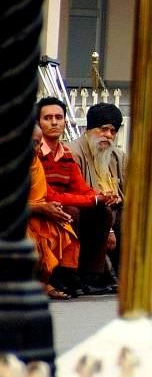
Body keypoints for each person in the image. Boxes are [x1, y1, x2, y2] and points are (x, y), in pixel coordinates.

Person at [70, 103, 152, 276]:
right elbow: (76, 192)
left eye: (113, 131)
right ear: (89, 128)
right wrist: (109, 226)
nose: (108, 136)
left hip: (115, 210)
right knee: (104, 215)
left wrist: (122, 199)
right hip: (90, 212)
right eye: (103, 129)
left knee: (147, 215)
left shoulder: (117, 156)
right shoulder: (73, 152)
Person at [35, 97, 116, 296]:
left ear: (65, 121)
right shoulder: (35, 151)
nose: (54, 122)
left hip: (63, 203)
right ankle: (63, 274)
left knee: (103, 212)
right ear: (38, 123)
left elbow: (80, 187)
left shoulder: (66, 154)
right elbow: (48, 193)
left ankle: (91, 276)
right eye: (48, 118)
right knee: (73, 211)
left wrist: (101, 197)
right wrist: (91, 199)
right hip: (41, 204)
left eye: (59, 117)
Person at [27, 124, 80, 300]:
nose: (35, 149)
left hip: (24, 214)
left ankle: (42, 281)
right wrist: (40, 208)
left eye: (37, 144)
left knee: (60, 227)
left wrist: (49, 209)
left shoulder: (34, 163)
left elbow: (37, 197)